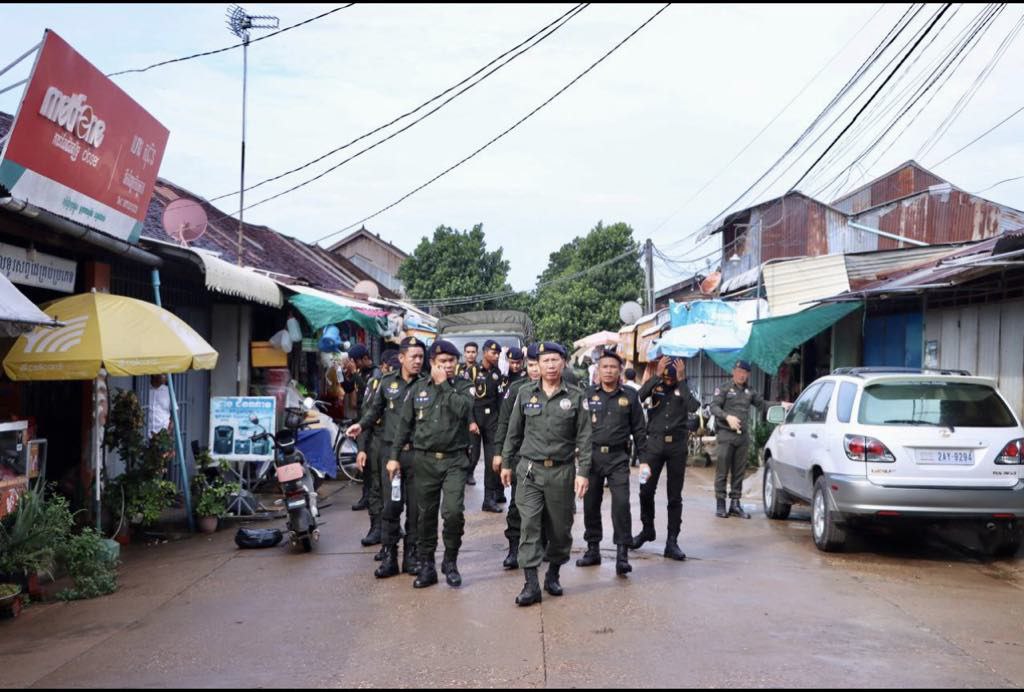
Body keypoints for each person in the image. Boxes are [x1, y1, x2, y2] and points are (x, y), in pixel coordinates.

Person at [501, 342, 591, 607]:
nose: (550, 365)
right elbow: (513, 432)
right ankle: (531, 585)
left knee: (560, 530)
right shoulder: (524, 394)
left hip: (562, 472)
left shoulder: (576, 396)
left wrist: (583, 472)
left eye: (555, 360)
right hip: (530, 470)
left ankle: (553, 573)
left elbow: (585, 438)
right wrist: (506, 463)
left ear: (563, 362)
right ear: (537, 365)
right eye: (545, 361)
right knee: (529, 524)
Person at [390, 339, 475, 589]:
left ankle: (450, 561)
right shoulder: (418, 388)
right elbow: (404, 425)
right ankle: (427, 565)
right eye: (442, 362)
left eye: (451, 361)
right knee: (424, 515)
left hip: (454, 460)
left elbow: (463, 410)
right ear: (432, 363)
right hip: (425, 460)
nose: (447, 366)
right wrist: (394, 456)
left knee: (453, 512)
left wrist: (443, 385)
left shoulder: (464, 386)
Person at [346, 337, 426, 578]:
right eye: (413, 356)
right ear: (401, 358)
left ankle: (411, 557)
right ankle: (389, 556)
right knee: (391, 506)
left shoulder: (427, 384)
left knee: (416, 510)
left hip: (418, 455)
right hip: (391, 456)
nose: (417, 361)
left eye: (421, 357)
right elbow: (374, 410)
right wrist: (361, 425)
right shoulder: (386, 382)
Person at [576, 350, 646, 576]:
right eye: (604, 367)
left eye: (613, 367)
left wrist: (644, 460)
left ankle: (622, 555)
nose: (608, 371)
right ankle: (593, 549)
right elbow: (578, 427)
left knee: (622, 505)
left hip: (618, 458)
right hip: (592, 457)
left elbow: (639, 429)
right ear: (598, 370)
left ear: (620, 371)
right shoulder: (588, 395)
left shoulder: (630, 396)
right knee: (591, 504)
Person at [630, 356, 700, 561]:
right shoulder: (656, 386)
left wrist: (681, 381)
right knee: (645, 490)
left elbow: (693, 406)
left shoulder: (684, 388)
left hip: (677, 447)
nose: (669, 381)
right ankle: (647, 529)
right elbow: (637, 399)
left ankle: (672, 541)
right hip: (653, 446)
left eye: (672, 378)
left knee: (674, 496)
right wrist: (656, 377)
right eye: (666, 377)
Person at [492, 343, 541, 569]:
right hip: (522, 457)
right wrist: (499, 454)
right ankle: (514, 548)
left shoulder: (560, 390)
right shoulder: (517, 389)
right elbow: (504, 423)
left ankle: (541, 546)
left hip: (548, 459)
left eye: (537, 364)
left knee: (546, 507)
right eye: (530, 365)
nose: (534, 369)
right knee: (516, 504)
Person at [710, 360, 766, 519]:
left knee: (739, 472)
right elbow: (714, 407)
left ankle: (735, 504)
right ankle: (721, 504)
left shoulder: (750, 391)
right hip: (726, 435)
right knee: (722, 471)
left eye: (745, 372)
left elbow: (763, 405)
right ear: (733, 371)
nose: (742, 375)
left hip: (742, 437)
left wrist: (783, 405)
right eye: (739, 371)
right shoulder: (724, 388)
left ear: (748, 374)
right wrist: (727, 417)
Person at [468, 339, 507, 511]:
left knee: (493, 459)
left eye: (498, 353)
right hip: (475, 420)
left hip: (492, 420)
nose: (496, 356)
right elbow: (467, 400)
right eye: (493, 353)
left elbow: (500, 400)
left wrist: (501, 422)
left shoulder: (497, 373)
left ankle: (489, 499)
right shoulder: (472, 371)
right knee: (473, 457)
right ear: (484, 353)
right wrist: (470, 421)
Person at [459, 341, 480, 485]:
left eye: (473, 352)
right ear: (464, 353)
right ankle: (461, 472)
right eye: (468, 352)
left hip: (475, 410)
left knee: (474, 447)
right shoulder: (458, 368)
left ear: (477, 353)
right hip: (460, 411)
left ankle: (470, 472)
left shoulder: (480, 370)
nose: (470, 354)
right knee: (462, 444)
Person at [623, 368, 642, 467]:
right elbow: (645, 401)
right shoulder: (639, 387)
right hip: (638, 415)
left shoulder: (622, 388)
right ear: (635, 377)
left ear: (625, 377)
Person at [148, 374, 173, 439]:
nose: (166, 376)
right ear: (154, 375)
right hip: (146, 434)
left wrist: (169, 430)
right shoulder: (144, 389)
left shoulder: (169, 391)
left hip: (163, 435)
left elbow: (174, 413)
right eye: (163, 374)